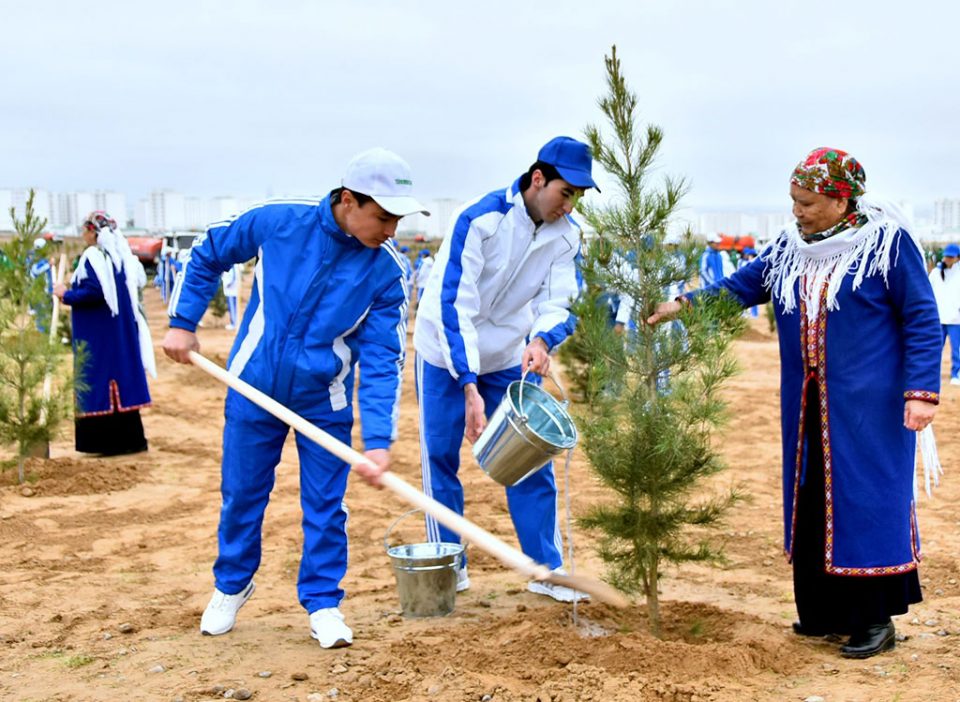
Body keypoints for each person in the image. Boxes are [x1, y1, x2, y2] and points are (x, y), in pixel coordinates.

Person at [648, 147, 941, 659]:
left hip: (870, 409)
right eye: (793, 200)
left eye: (806, 202)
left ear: (840, 200)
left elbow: (921, 317)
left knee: (867, 500)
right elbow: (741, 287)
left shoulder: (885, 245)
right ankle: (824, 612)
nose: (796, 211)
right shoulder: (789, 248)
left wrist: (921, 393)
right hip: (808, 403)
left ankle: (874, 620)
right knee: (812, 499)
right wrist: (683, 305)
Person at [161, 147, 427, 649]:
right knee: (242, 494)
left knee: (326, 506)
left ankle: (323, 602)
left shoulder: (386, 274)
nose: (392, 230)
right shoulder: (280, 221)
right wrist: (182, 322)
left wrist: (377, 440)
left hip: (324, 401)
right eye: (384, 217)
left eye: (398, 219)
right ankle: (231, 585)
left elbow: (381, 362)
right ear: (348, 200)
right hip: (253, 387)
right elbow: (209, 250)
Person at [413, 136, 597, 602]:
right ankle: (448, 563)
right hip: (445, 353)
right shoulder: (480, 220)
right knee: (440, 457)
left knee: (530, 460)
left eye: (577, 197)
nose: (569, 206)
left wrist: (541, 339)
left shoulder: (567, 236)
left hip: (507, 357)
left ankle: (546, 570)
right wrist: (467, 384)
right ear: (538, 179)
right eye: (565, 193)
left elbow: (560, 300)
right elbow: (455, 304)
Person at [54, 211, 156, 455]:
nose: (82, 234)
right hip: (119, 334)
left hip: (99, 335)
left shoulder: (95, 257)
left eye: (84, 230)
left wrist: (65, 295)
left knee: (99, 378)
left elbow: (94, 292)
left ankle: (107, 444)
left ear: (93, 232)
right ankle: (130, 441)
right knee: (118, 376)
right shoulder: (123, 259)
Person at [928, 243, 960, 385]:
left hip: (956, 318)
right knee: (935, 347)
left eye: (951, 257)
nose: (948, 259)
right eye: (946, 256)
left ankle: (956, 374)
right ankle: (933, 374)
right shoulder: (935, 273)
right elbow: (928, 291)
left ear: (957, 258)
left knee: (956, 349)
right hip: (938, 317)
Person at [737, 247, 759, 317]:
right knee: (743, 297)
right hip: (743, 282)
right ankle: (744, 313)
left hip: (752, 282)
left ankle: (754, 314)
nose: (750, 256)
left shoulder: (753, 261)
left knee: (754, 297)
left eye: (752, 255)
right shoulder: (741, 261)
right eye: (749, 255)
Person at [220, 262, 242, 331]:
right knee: (234, 307)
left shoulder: (232, 266)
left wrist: (227, 284)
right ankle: (235, 322)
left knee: (232, 307)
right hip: (232, 290)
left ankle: (234, 323)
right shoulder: (234, 266)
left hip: (231, 290)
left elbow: (232, 278)